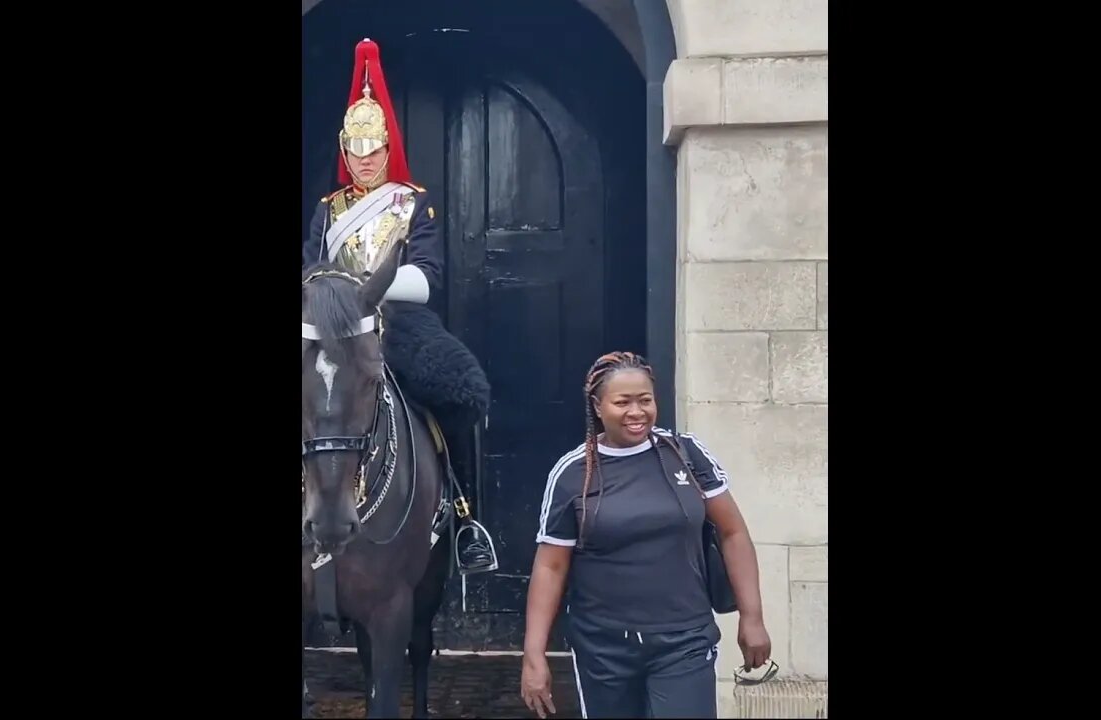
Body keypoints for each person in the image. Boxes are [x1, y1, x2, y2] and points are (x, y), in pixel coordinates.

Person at [301, 37, 495, 576]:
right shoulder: (327, 210)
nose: (365, 162)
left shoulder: (411, 203)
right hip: (332, 327)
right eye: (355, 152)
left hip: (399, 321)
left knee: (464, 390)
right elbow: (311, 269)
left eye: (374, 151)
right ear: (345, 153)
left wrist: (369, 287)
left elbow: (427, 277)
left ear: (388, 150)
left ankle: (465, 518)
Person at [520, 351, 772, 718]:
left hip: (684, 641)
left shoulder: (685, 454)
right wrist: (533, 654)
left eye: (645, 400)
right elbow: (551, 567)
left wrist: (752, 617)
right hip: (603, 649)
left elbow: (733, 533)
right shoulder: (573, 473)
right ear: (597, 405)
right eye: (622, 402)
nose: (636, 412)